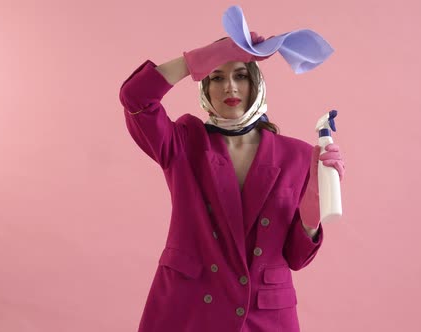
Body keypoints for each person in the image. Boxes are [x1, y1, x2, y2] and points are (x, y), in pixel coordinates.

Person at [118, 32, 345, 332]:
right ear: (205, 86)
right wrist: (198, 59)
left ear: (255, 84)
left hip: (264, 315)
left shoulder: (298, 155)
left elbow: (296, 258)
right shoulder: (183, 143)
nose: (229, 87)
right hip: (189, 308)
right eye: (216, 77)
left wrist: (312, 212)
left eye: (240, 75)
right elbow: (135, 97)